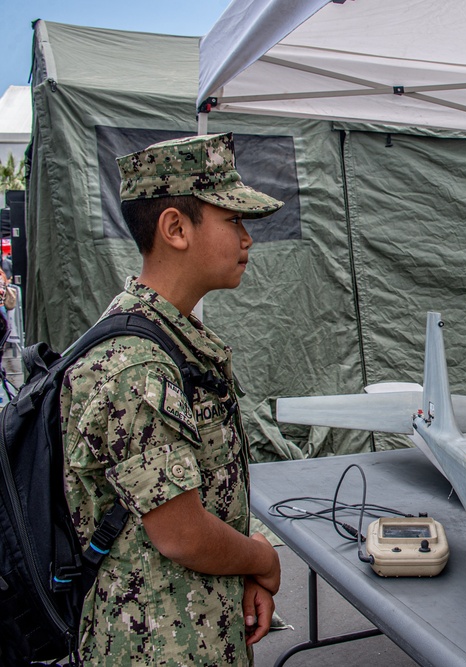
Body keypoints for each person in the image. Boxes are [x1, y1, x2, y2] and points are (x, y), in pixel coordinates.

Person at [62, 132, 284, 664]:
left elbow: (209, 485)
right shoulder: (136, 365)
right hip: (155, 645)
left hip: (197, 629)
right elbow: (181, 533)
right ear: (176, 229)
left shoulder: (177, 343)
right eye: (232, 220)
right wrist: (262, 558)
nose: (247, 238)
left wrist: (244, 563)